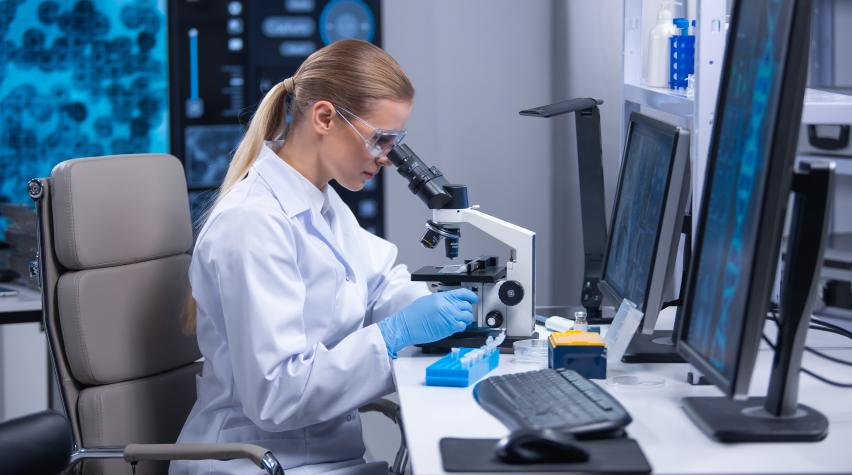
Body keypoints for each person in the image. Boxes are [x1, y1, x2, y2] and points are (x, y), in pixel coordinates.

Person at [170, 39, 478, 475]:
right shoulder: (251, 224)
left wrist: (436, 310)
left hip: (319, 459)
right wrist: (393, 335)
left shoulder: (322, 203)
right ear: (325, 117)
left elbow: (379, 283)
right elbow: (277, 395)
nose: (388, 158)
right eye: (380, 140)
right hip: (253, 463)